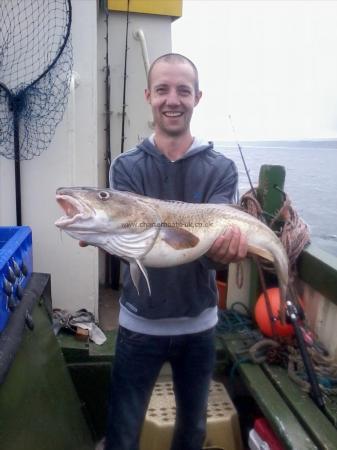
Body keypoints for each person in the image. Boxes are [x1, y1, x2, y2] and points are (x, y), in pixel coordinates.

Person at [103, 53, 248, 450]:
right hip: (138, 328)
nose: (173, 99)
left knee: (192, 434)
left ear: (197, 97)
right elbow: (131, 239)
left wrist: (226, 253)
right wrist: (102, 234)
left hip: (199, 328)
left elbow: (212, 257)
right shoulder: (126, 167)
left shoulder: (220, 169)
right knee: (122, 434)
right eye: (163, 89)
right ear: (149, 95)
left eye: (183, 90)